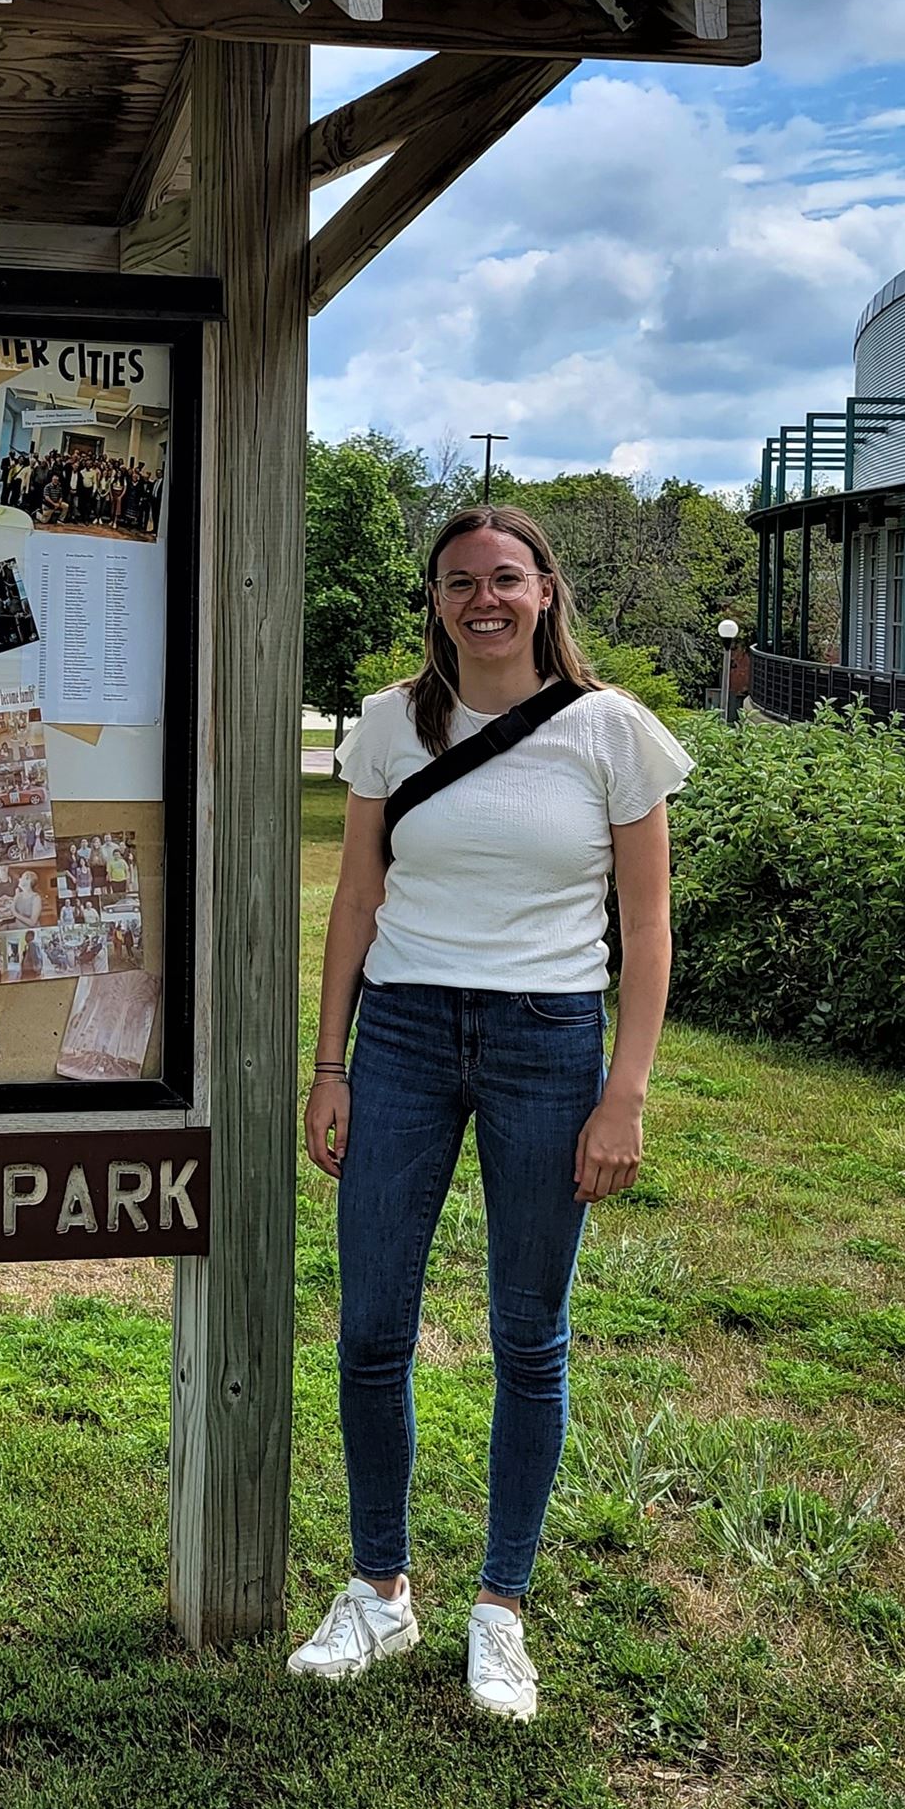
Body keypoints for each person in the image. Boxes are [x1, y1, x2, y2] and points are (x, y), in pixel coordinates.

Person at [289, 505, 691, 1724]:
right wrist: (331, 1063)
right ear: (437, 601)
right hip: (405, 1034)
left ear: (545, 590)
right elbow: (357, 899)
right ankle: (379, 1588)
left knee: (529, 1334)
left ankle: (500, 1608)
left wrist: (624, 1091)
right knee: (372, 1327)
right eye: (461, 581)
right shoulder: (389, 724)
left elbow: (649, 927)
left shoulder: (611, 730)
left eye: (506, 577)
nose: (485, 599)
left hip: (547, 1040)